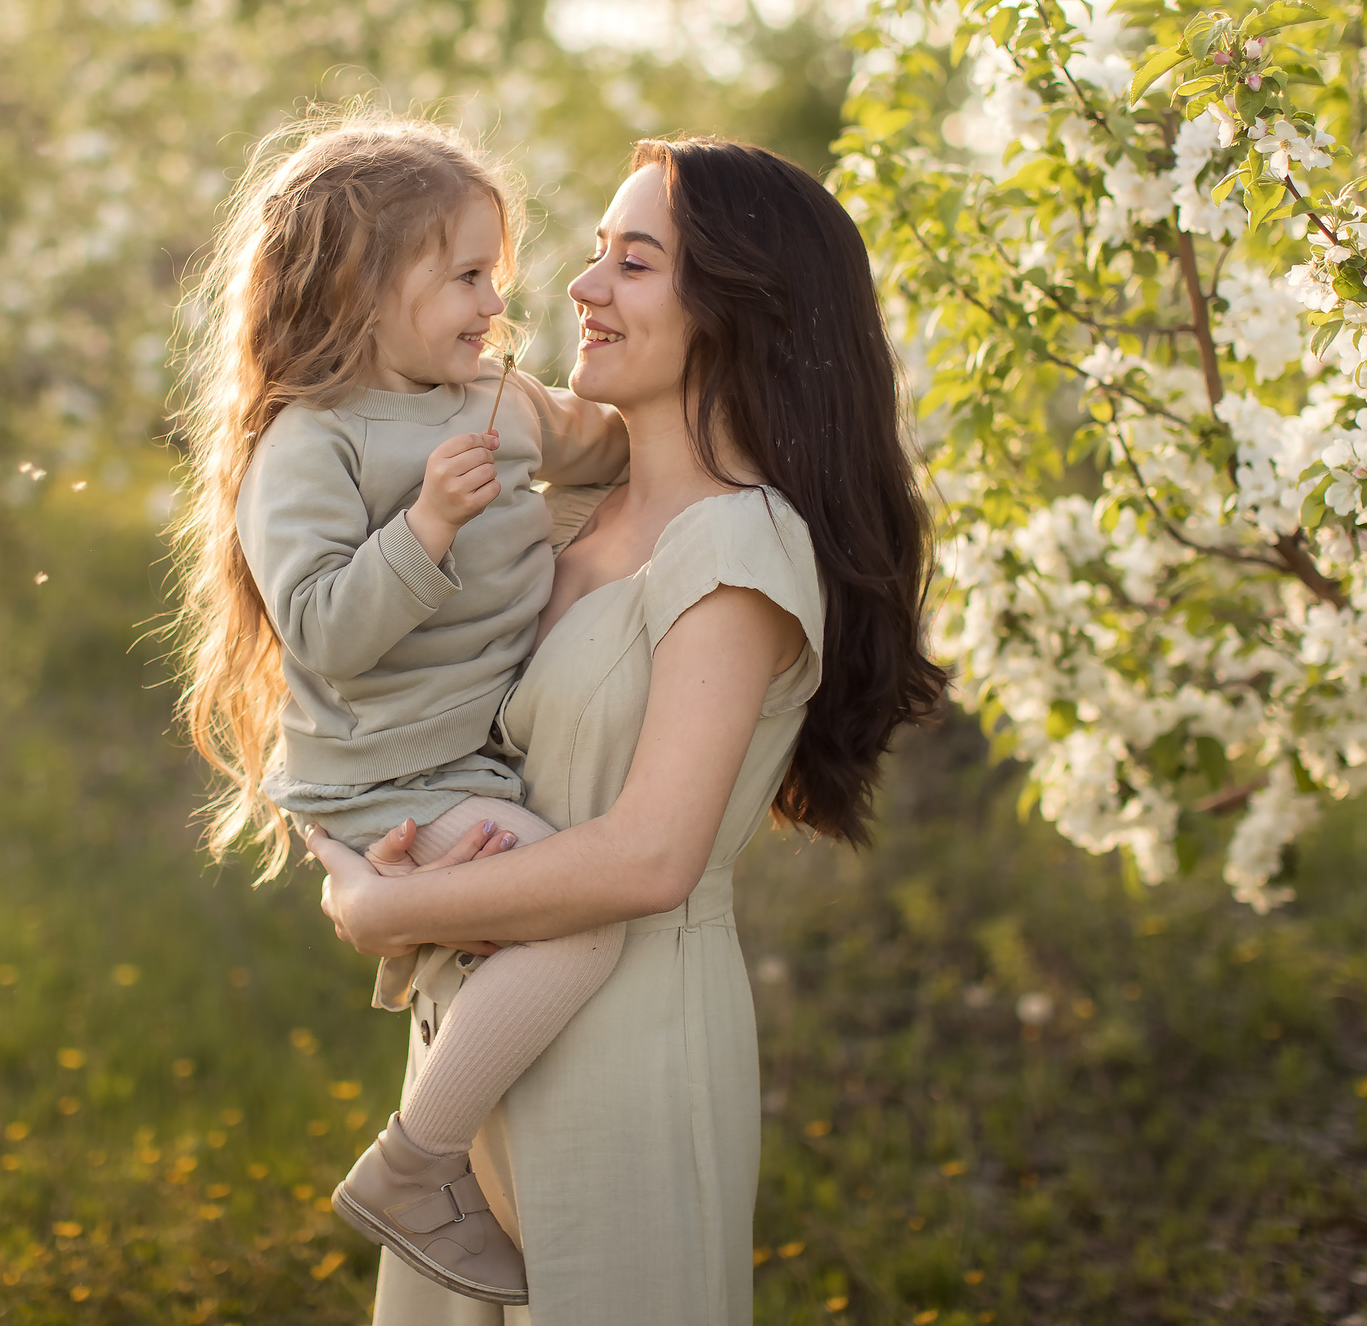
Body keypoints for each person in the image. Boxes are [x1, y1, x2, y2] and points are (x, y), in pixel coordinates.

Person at [311, 136, 946, 1325]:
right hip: (484, 1028)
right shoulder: (567, 514)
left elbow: (649, 856)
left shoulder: (738, 548)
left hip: (625, 1044)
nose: (581, 289)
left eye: (634, 262)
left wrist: (382, 910)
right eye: (597, 253)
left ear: (739, 307)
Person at [167, 112, 634, 1306]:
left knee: (545, 909)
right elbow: (320, 628)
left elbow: (616, 450)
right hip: (384, 777)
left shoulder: (497, 401)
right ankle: (416, 1168)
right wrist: (424, 528)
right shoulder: (308, 446)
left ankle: (436, 974)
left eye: (498, 273)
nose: (495, 302)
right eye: (466, 275)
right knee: (578, 920)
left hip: (468, 763)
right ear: (361, 290)